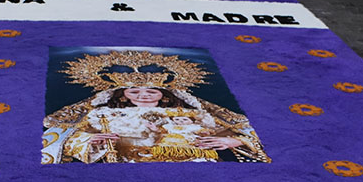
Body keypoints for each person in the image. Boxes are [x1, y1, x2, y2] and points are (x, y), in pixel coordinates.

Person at [41, 50, 269, 164]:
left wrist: (234, 141)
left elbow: (245, 129)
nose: (144, 94)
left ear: (164, 92)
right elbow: (58, 133)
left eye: (152, 90)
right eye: (134, 91)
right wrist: (85, 141)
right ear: (123, 94)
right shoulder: (102, 115)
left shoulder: (195, 113)